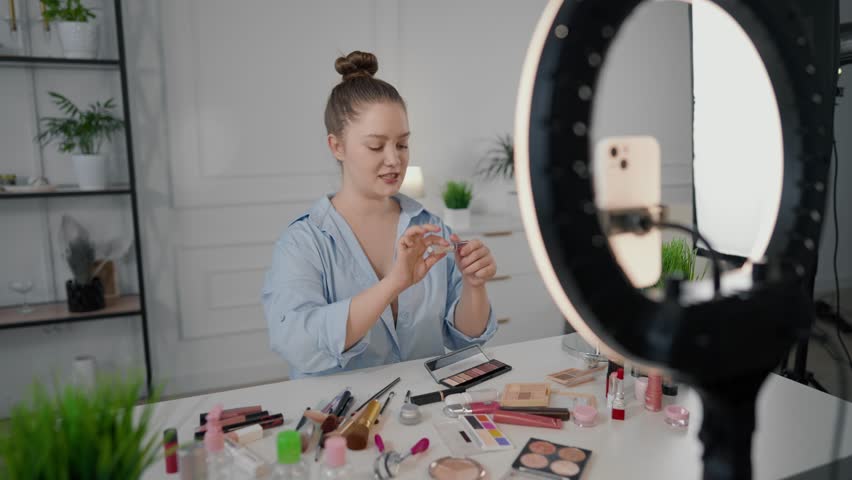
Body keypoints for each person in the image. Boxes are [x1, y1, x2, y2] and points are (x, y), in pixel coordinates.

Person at [262, 51, 498, 378]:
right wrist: (393, 285)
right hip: (341, 420)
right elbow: (298, 345)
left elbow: (464, 340)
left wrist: (474, 285)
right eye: (376, 146)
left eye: (401, 145)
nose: (394, 160)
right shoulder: (303, 242)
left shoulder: (430, 228)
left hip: (423, 411)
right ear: (337, 147)